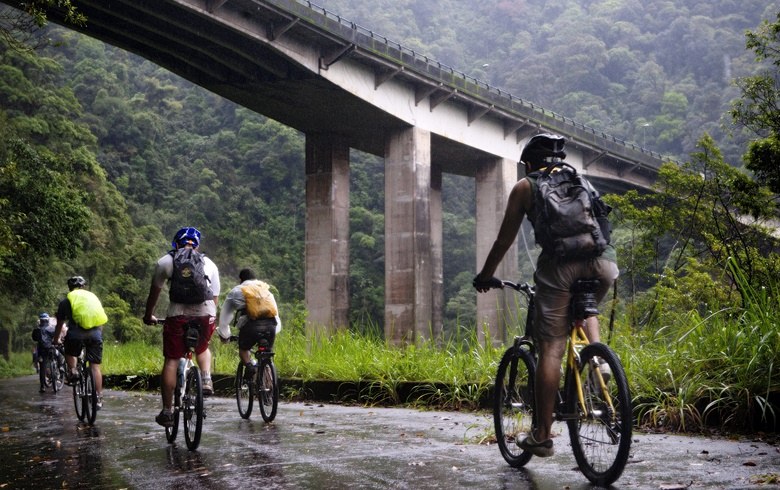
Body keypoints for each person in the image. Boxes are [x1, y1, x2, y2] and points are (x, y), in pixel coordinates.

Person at [473, 133, 618, 458]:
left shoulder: (526, 186)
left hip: (560, 267)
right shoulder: (578, 178)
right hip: (603, 265)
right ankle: (597, 360)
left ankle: (542, 435)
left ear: (528, 163)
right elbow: (602, 222)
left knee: (551, 349)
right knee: (584, 306)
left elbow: (503, 240)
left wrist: (485, 275)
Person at [143, 226, 221, 428]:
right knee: (203, 348)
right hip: (205, 313)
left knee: (171, 360)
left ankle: (168, 411)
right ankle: (205, 380)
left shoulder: (166, 262)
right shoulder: (209, 263)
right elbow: (214, 298)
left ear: (175, 243)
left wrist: (148, 314)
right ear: (197, 245)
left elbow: (155, 293)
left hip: (177, 315)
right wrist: (209, 317)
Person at [53, 276, 107, 408]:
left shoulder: (66, 301)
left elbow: (60, 324)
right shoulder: (92, 298)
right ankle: (98, 398)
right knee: (95, 367)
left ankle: (73, 371)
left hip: (75, 334)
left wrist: (56, 340)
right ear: (83, 287)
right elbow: (100, 319)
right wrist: (97, 335)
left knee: (69, 350)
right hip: (95, 333)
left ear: (70, 288)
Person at [217, 268, 281, 374]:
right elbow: (275, 314)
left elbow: (225, 315)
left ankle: (251, 368)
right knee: (267, 355)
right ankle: (269, 381)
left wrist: (225, 335)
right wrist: (276, 329)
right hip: (271, 326)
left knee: (243, 349)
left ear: (241, 279)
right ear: (255, 278)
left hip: (251, 327)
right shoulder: (265, 290)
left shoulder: (237, 291)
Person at [32, 312, 64, 392]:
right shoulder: (51, 328)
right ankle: (61, 367)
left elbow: (34, 339)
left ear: (40, 320)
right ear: (47, 320)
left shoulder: (36, 330)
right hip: (50, 348)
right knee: (58, 354)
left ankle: (42, 387)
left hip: (41, 350)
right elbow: (56, 335)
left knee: (42, 368)